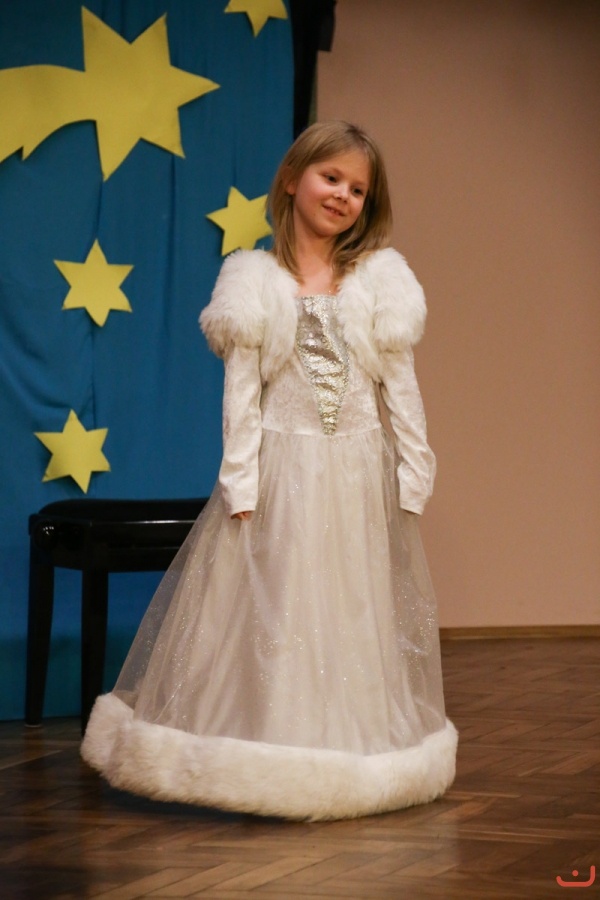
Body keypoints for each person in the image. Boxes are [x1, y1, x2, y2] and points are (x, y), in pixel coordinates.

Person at [81, 120, 457, 821]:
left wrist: (414, 470)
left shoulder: (379, 282)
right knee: (278, 602)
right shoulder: (252, 281)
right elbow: (242, 397)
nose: (342, 195)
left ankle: (346, 753)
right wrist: (241, 483)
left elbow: (400, 388)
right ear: (291, 180)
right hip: (283, 471)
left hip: (355, 473)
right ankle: (268, 750)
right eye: (330, 178)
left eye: (357, 189)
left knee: (350, 605)